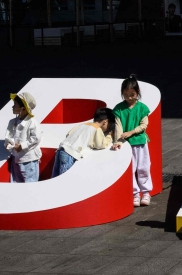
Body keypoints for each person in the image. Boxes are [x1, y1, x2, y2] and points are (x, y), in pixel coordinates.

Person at [113, 75, 153, 207]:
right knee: (131, 169)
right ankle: (135, 194)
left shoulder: (143, 108)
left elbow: (144, 125)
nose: (129, 98)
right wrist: (118, 141)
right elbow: (118, 126)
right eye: (125, 95)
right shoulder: (118, 109)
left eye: (132, 94)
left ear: (138, 92)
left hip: (140, 142)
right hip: (127, 145)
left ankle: (146, 192)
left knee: (143, 167)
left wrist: (131, 132)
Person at [52, 107, 118, 177]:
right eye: (110, 124)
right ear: (105, 122)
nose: (109, 127)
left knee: (56, 177)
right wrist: (109, 136)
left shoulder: (83, 125)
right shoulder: (96, 129)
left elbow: (68, 134)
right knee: (64, 178)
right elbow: (101, 144)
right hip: (71, 154)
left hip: (61, 149)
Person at [5, 92, 41, 182]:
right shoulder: (12, 122)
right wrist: (8, 143)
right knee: (17, 182)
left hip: (29, 160)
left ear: (23, 108)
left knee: (30, 183)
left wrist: (21, 146)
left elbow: (36, 139)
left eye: (15, 105)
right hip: (16, 159)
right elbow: (8, 135)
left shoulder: (32, 122)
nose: (13, 107)